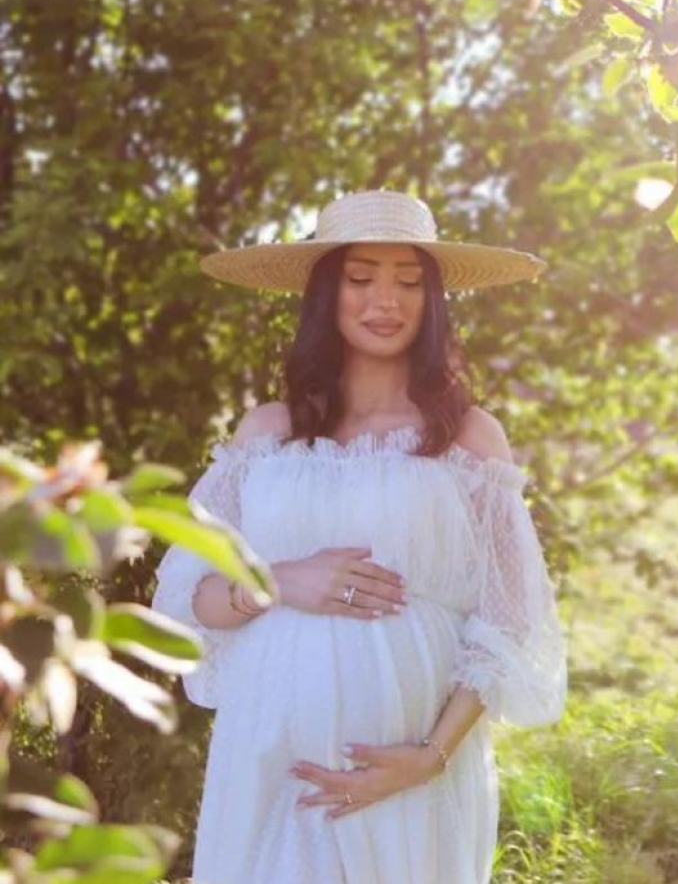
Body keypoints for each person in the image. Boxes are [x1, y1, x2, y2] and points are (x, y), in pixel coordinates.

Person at [148, 188, 567, 883]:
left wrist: (428, 756)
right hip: (271, 753)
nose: (386, 299)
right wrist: (277, 583)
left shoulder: (466, 437)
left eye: (408, 281)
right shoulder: (266, 435)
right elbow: (187, 595)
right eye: (361, 275)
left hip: (409, 767)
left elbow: (508, 619)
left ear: (431, 301)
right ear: (325, 292)